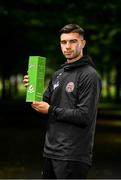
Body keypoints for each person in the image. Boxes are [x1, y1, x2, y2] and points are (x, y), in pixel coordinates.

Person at [23, 24, 102, 179]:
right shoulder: (59, 74)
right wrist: (31, 88)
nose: (67, 46)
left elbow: (84, 115)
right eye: (63, 42)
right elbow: (43, 103)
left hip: (73, 155)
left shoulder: (89, 75)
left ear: (83, 43)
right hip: (51, 152)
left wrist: (51, 110)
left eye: (73, 41)